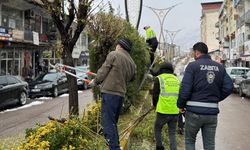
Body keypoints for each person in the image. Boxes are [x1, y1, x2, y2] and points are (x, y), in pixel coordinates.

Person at [177, 42, 233, 150]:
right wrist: (215, 98)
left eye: (193, 52)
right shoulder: (219, 67)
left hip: (194, 113)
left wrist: (180, 105)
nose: (193, 54)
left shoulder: (192, 66)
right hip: (211, 114)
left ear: (197, 52)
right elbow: (229, 87)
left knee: (189, 141)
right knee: (210, 145)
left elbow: (185, 90)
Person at [88, 38, 136, 150]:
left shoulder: (114, 54)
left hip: (110, 94)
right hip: (120, 95)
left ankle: (114, 148)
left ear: (120, 46)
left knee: (108, 123)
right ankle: (112, 145)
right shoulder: (132, 63)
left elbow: (103, 70)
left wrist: (95, 81)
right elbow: (132, 78)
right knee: (113, 122)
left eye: (116, 45)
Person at [152, 62, 180, 150]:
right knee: (172, 133)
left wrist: (154, 105)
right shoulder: (177, 79)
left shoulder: (159, 79)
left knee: (157, 128)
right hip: (175, 111)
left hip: (163, 111)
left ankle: (160, 147)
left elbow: (155, 95)